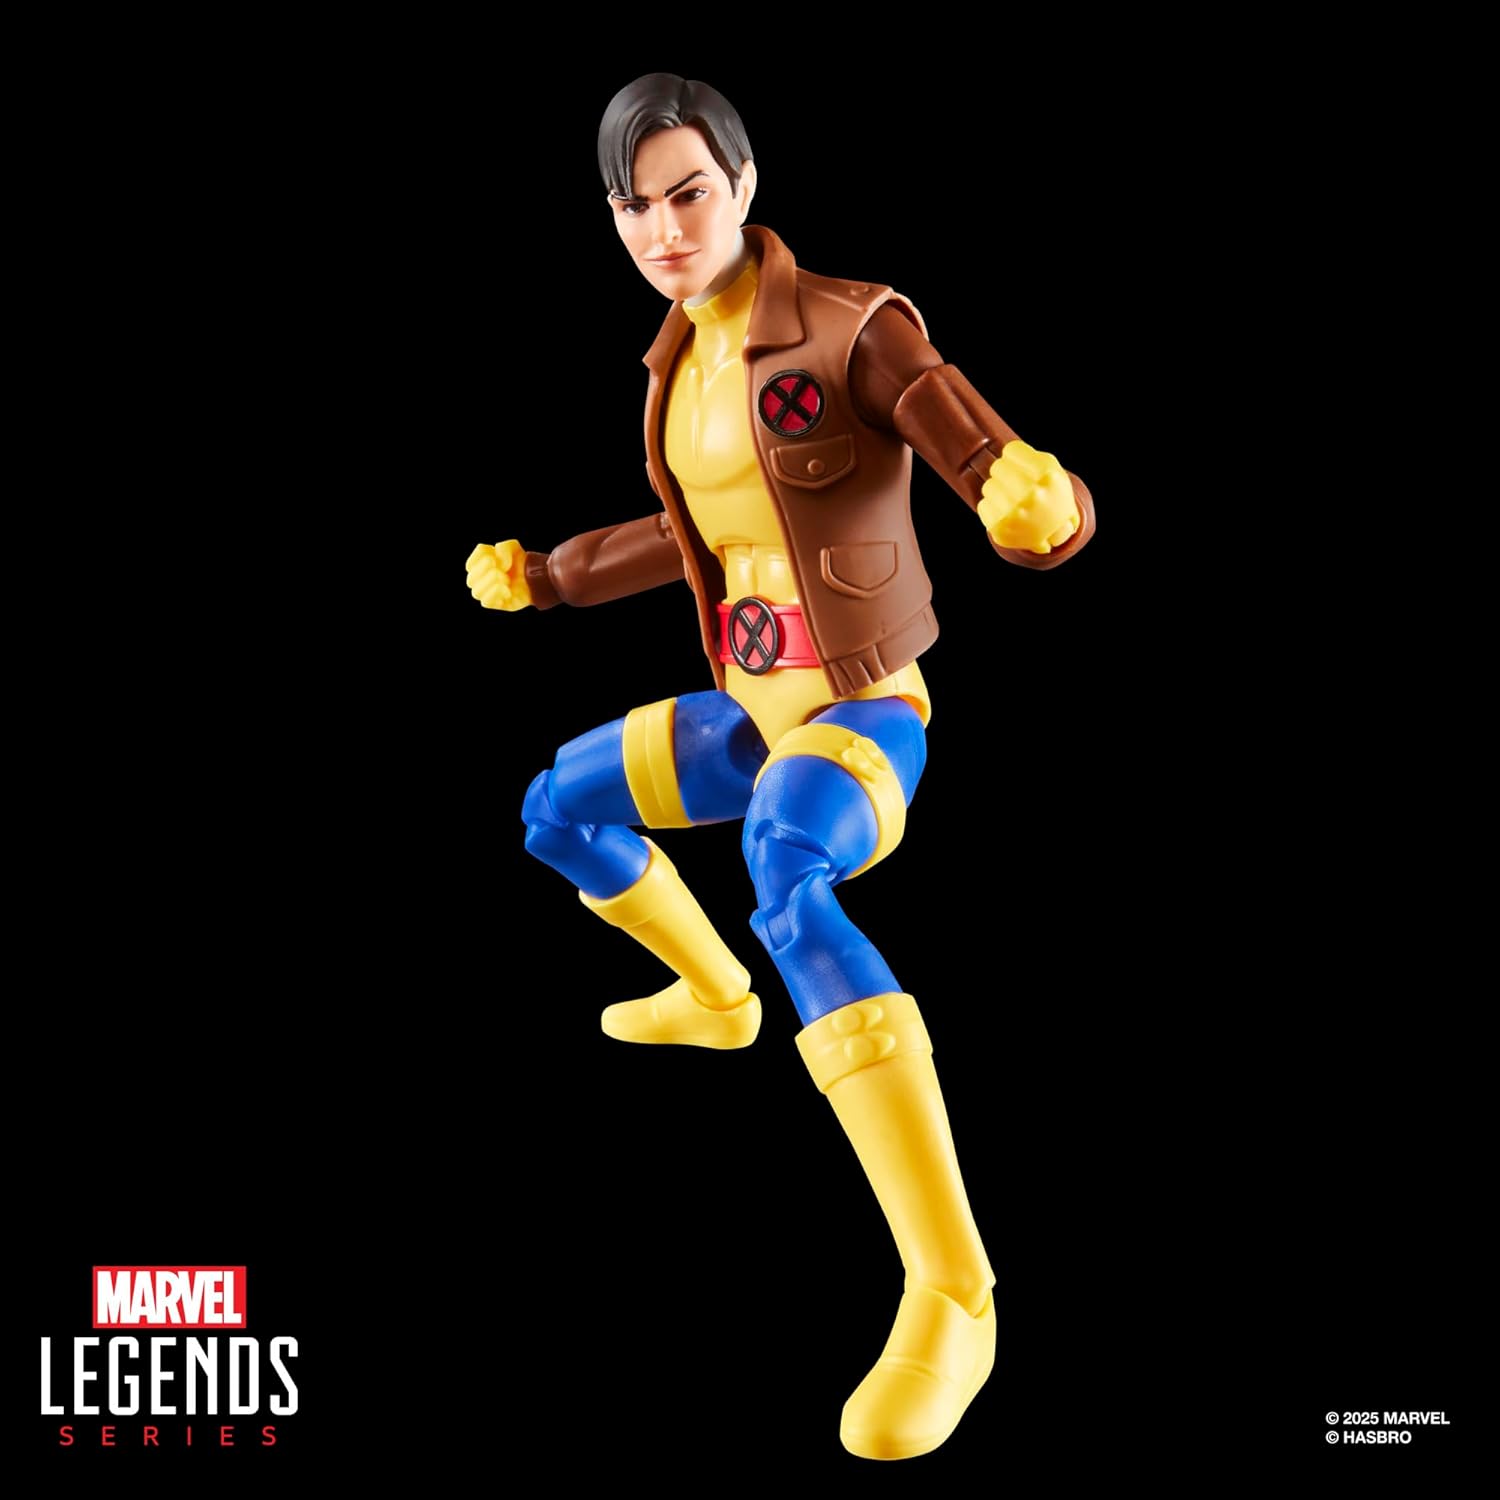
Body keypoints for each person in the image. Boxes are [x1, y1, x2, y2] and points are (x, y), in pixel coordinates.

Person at [466, 72, 1095, 1460]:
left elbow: (987, 456)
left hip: (864, 712)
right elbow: (685, 534)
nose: (664, 229)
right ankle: (716, 998)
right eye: (634, 205)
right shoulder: (679, 361)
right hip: (750, 710)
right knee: (557, 808)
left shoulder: (855, 326)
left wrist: (1037, 509)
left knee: (788, 871)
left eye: (689, 193)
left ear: (744, 186)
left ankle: (955, 1292)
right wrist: (554, 576)